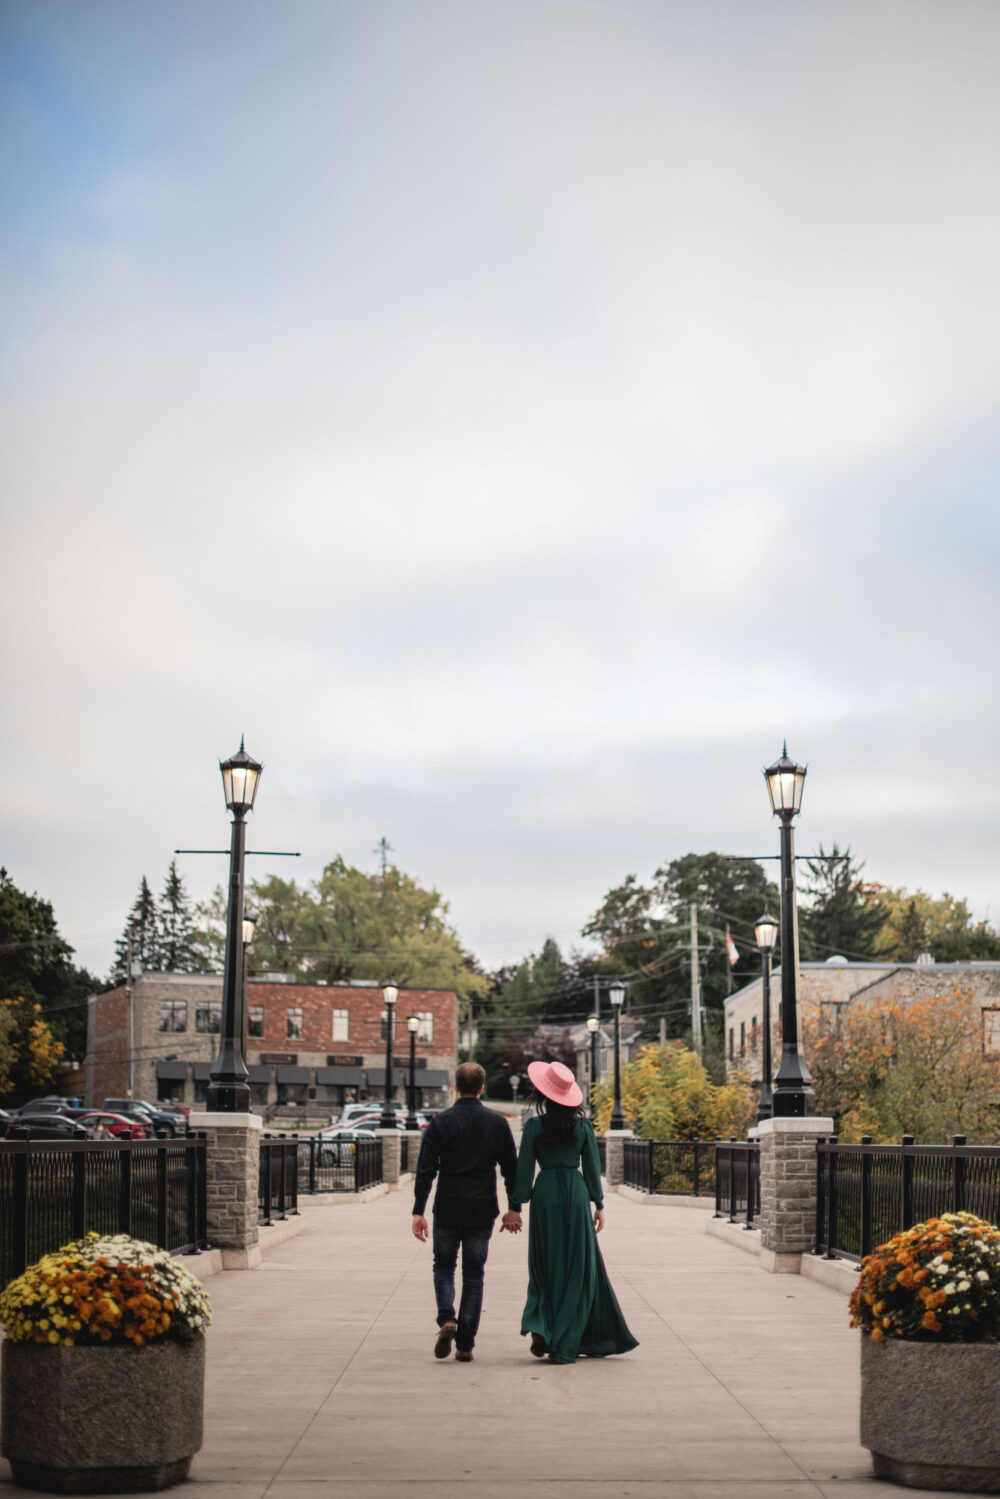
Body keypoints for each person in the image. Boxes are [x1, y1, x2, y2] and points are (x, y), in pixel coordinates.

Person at [515, 1059, 638, 1365]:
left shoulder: (533, 1127)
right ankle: (566, 1338)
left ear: (544, 1094)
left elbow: (523, 1170)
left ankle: (542, 1325)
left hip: (544, 1196)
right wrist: (599, 1204)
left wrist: (516, 1204)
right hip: (576, 1191)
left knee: (544, 1264)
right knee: (578, 1268)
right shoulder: (583, 1126)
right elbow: (593, 1169)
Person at [412, 1061, 522, 1363]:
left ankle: (447, 1318)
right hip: (481, 1207)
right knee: (474, 1273)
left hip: (447, 1206)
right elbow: (511, 1170)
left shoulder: (440, 1122)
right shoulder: (497, 1123)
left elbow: (425, 1170)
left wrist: (418, 1210)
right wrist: (514, 1207)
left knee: (443, 1266)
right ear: (482, 1088)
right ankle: (465, 1344)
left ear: (456, 1087)